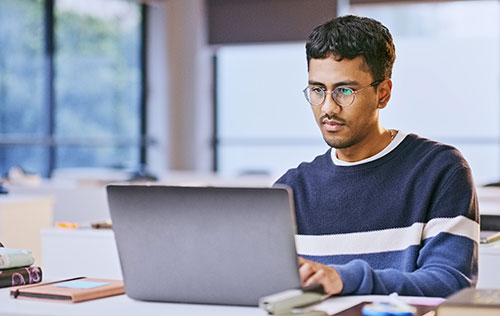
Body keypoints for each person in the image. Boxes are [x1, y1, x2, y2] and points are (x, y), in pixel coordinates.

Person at [275, 15, 479, 297]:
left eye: (345, 91)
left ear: (383, 94)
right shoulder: (292, 187)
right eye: (318, 90)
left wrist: (346, 279)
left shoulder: (440, 170)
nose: (328, 108)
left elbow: (451, 283)